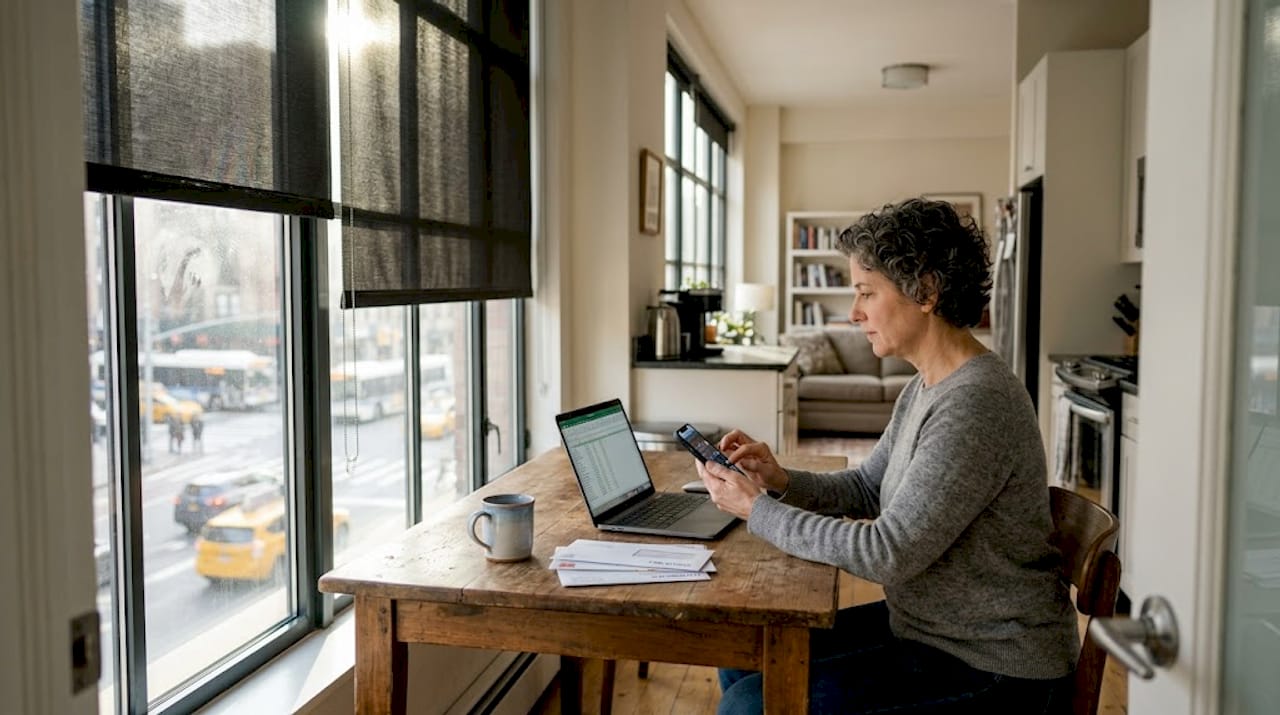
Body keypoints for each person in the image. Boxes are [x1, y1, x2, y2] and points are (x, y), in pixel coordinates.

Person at [697, 197, 1078, 714]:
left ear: (925, 291)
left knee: (747, 708)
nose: (854, 314)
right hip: (930, 629)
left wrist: (757, 510)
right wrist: (779, 478)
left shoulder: (976, 402)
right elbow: (866, 488)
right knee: (746, 650)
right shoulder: (927, 385)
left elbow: (887, 551)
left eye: (866, 293)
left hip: (994, 665)